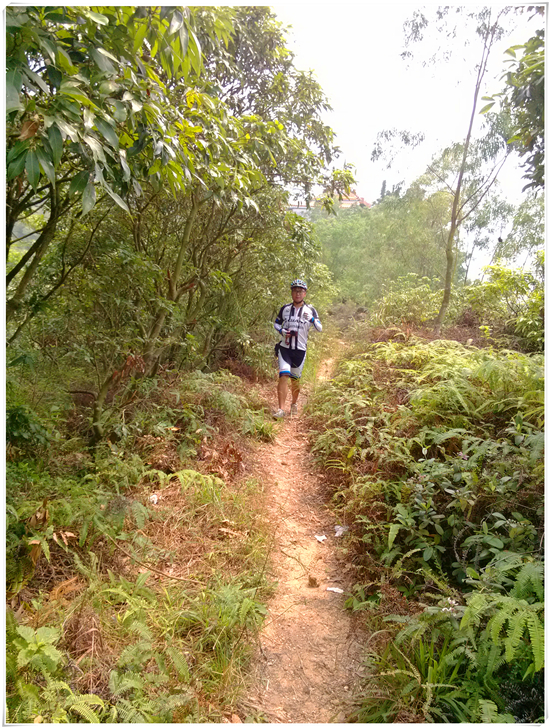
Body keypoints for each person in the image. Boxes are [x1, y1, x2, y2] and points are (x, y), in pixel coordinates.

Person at [273, 279, 322, 418]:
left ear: (305, 293)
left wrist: (312, 319)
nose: (297, 293)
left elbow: (320, 328)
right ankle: (281, 410)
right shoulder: (285, 309)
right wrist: (282, 331)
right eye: (295, 291)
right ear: (291, 293)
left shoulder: (310, 310)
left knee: (295, 380)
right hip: (285, 348)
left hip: (300, 350)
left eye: (300, 291)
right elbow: (276, 323)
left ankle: (294, 403)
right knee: (284, 375)